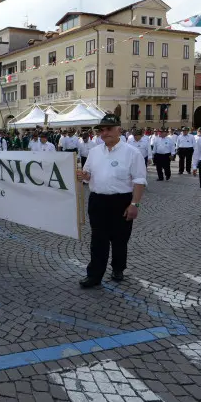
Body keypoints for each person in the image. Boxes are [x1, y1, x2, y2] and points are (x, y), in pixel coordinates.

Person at [76, 114, 146, 288]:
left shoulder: (132, 153)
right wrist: (83, 176)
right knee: (98, 239)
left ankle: (118, 268)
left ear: (119, 130)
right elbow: (87, 176)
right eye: (102, 129)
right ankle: (94, 275)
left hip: (121, 201)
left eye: (109, 129)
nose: (105, 132)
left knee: (120, 239)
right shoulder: (94, 152)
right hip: (98, 201)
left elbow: (139, 180)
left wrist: (134, 204)